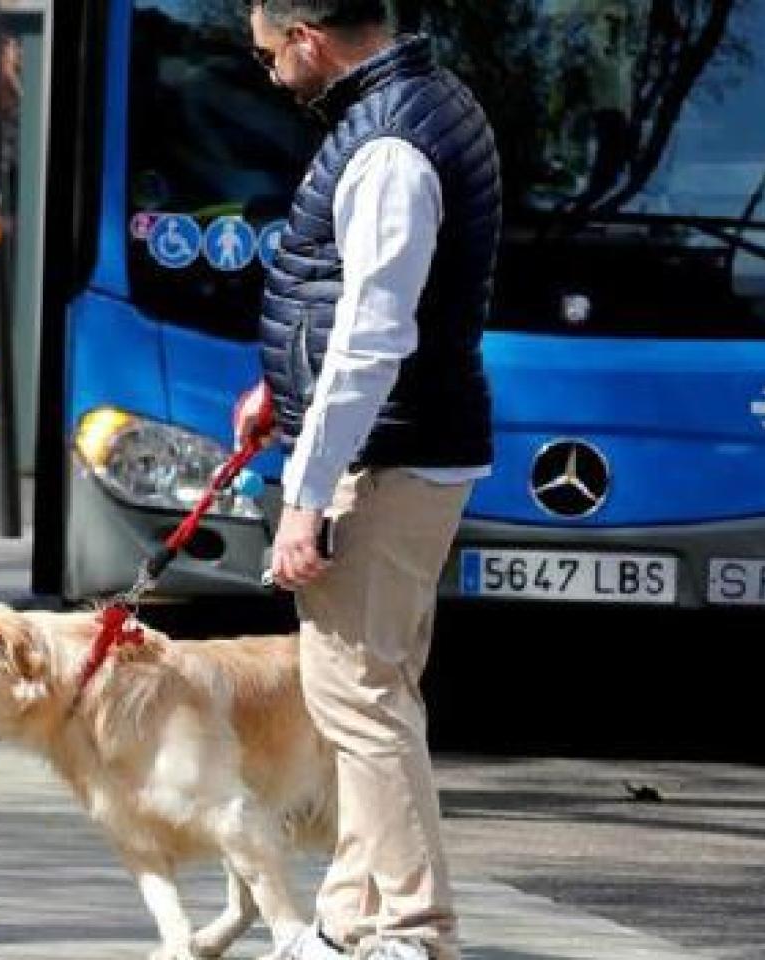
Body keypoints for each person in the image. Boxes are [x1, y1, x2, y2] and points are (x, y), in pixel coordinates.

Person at [235, 3, 500, 959]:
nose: (271, 76)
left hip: (385, 458)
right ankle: (352, 921)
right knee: (373, 691)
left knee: (360, 700)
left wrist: (305, 496)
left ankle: (418, 932)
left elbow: (374, 334)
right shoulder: (420, 102)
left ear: (307, 36)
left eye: (271, 56)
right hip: (406, 443)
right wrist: (280, 385)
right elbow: (347, 303)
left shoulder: (387, 145)